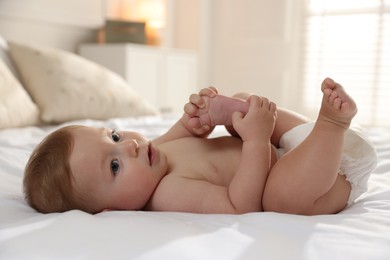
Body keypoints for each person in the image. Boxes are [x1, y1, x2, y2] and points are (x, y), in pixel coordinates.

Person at [23, 78, 377, 215]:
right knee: (279, 200)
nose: (129, 146)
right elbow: (241, 205)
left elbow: (190, 132)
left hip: (293, 145)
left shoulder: (151, 153)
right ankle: (331, 124)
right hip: (323, 180)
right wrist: (254, 139)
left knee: (240, 102)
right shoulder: (168, 195)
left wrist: (203, 115)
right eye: (113, 166)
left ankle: (322, 130)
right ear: (108, 211)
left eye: (113, 136)